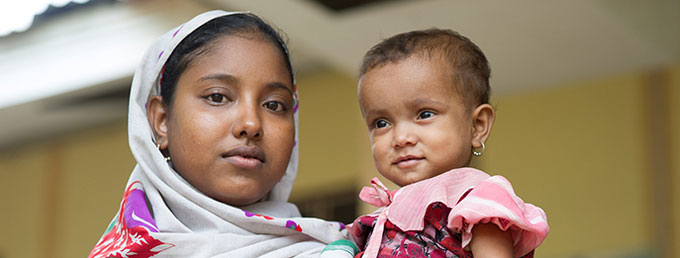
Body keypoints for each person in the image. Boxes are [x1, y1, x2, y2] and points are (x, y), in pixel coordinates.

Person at [88, 10, 348, 258]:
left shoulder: (342, 248)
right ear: (161, 120)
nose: (251, 124)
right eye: (217, 97)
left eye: (273, 105)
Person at [344, 29, 550, 258]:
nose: (401, 138)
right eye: (381, 123)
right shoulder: (383, 217)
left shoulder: (476, 201)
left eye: (424, 114)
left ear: (477, 125)